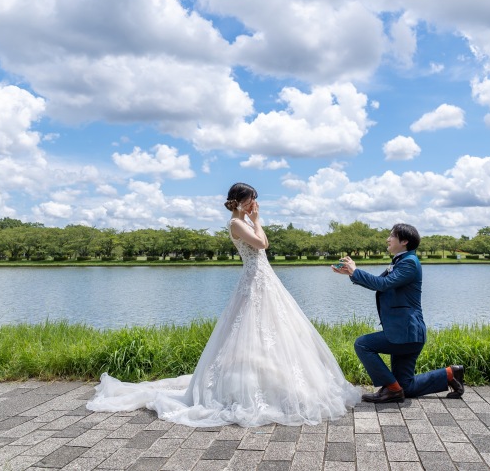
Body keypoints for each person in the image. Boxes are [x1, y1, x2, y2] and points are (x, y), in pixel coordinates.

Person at [86, 183, 360, 426]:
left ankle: (273, 382)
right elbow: (263, 244)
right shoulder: (236, 224)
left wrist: (255, 220)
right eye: (252, 199)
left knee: (273, 333)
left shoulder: (244, 222)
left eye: (256, 200)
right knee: (249, 332)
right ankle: (246, 389)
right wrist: (258, 219)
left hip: (264, 280)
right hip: (254, 281)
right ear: (241, 201)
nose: (255, 203)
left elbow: (261, 244)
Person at [332, 223, 464, 403]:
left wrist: (356, 270)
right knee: (406, 387)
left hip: (405, 333)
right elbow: (379, 282)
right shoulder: (401, 261)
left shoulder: (409, 263)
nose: (388, 239)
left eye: (391, 236)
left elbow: (382, 285)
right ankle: (450, 374)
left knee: (362, 344)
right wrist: (351, 273)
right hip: (406, 334)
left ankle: (392, 390)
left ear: (404, 241)